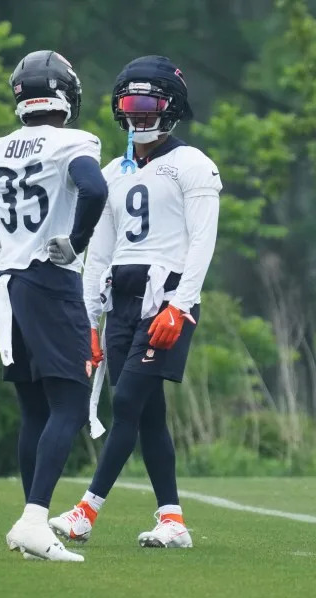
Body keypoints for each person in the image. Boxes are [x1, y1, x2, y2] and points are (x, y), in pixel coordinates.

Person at [0, 49, 108, 562]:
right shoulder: (75, 141)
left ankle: (32, 526)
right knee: (71, 403)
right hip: (49, 282)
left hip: (5, 285)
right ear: (66, 96)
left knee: (35, 407)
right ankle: (35, 519)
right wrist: (76, 240)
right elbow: (94, 187)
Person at [49, 56, 222, 548]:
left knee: (125, 403)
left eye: (148, 105)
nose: (139, 115)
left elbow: (202, 243)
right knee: (147, 415)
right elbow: (98, 254)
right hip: (121, 305)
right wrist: (88, 321)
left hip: (166, 301)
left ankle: (86, 512)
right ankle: (173, 521)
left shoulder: (192, 165)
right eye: (129, 105)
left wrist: (182, 305)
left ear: (171, 107)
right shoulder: (112, 173)